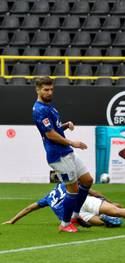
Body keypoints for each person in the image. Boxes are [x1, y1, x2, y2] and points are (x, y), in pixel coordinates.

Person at [32, 77, 94, 233]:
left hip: (66, 151)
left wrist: (65, 125)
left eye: (51, 89)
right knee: (72, 189)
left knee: (87, 180)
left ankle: (75, 215)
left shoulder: (50, 107)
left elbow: (56, 129)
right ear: (38, 90)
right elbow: (50, 134)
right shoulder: (39, 109)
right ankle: (65, 224)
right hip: (58, 155)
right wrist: (72, 142)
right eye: (46, 89)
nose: (49, 92)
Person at [3, 183, 125, 228]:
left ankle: (105, 221)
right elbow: (89, 190)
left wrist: (13, 220)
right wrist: (108, 201)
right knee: (117, 211)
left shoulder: (47, 198)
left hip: (74, 214)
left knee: (93, 223)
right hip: (82, 201)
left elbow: (28, 208)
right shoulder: (65, 184)